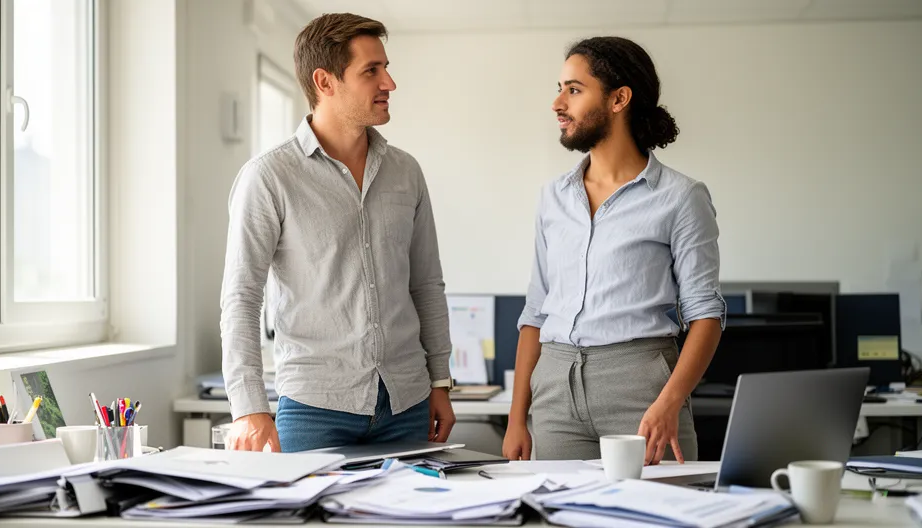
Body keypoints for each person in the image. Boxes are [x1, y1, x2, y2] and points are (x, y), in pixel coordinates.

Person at [219, 13, 456, 453]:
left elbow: (426, 285)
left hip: (409, 403)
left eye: (385, 67)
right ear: (325, 82)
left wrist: (440, 379)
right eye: (372, 71)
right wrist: (247, 406)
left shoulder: (406, 172)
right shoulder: (268, 177)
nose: (390, 82)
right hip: (315, 408)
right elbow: (242, 296)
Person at [503, 36, 724, 464]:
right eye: (560, 87)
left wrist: (669, 402)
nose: (557, 103)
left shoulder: (680, 196)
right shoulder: (554, 196)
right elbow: (536, 312)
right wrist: (517, 418)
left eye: (574, 89)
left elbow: (706, 316)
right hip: (554, 388)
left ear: (619, 98)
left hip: (640, 388)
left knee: (657, 512)